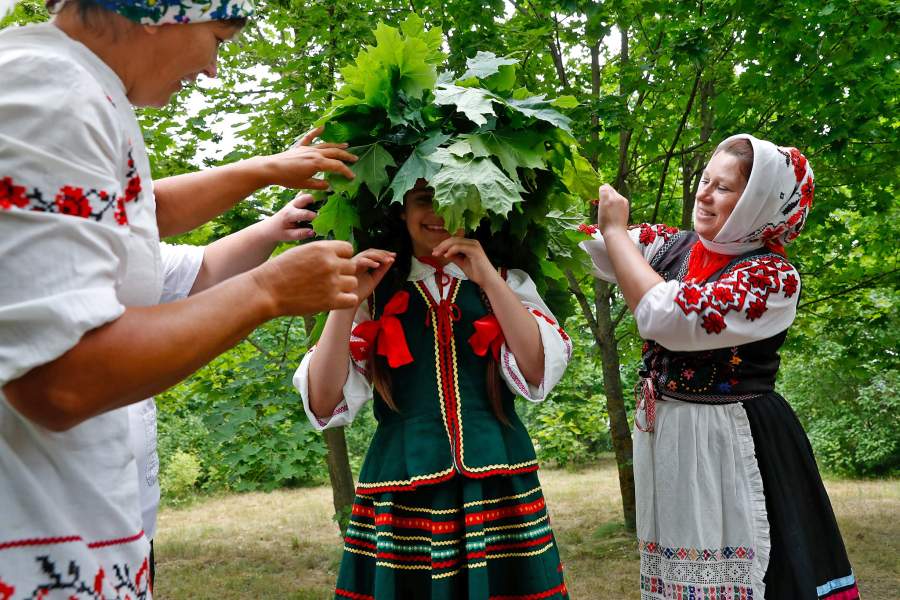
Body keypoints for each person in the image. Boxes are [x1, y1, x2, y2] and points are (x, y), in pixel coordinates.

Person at [0, 0, 359, 596]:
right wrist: (268, 291)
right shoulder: (51, 93)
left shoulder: (80, 87)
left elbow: (137, 218)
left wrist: (270, 186)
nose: (215, 69)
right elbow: (58, 379)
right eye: (218, 38)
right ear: (158, 12)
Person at [580, 134, 859, 599]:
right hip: (670, 438)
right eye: (706, 180)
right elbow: (576, 248)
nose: (704, 194)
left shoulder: (772, 278)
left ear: (759, 204)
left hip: (732, 441)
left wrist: (613, 231)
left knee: (749, 568)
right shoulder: (671, 247)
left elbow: (666, 317)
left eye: (724, 188)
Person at [295, 181, 573, 599]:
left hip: (498, 484)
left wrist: (487, 278)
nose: (439, 212)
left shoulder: (505, 282)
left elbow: (536, 371)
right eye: (424, 199)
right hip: (401, 486)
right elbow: (322, 401)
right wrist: (346, 302)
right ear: (401, 210)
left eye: (453, 198)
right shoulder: (373, 289)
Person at [129, 193, 323, 587]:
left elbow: (200, 271)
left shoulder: (111, 250)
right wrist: (266, 293)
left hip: (128, 528)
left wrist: (275, 224)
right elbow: (75, 385)